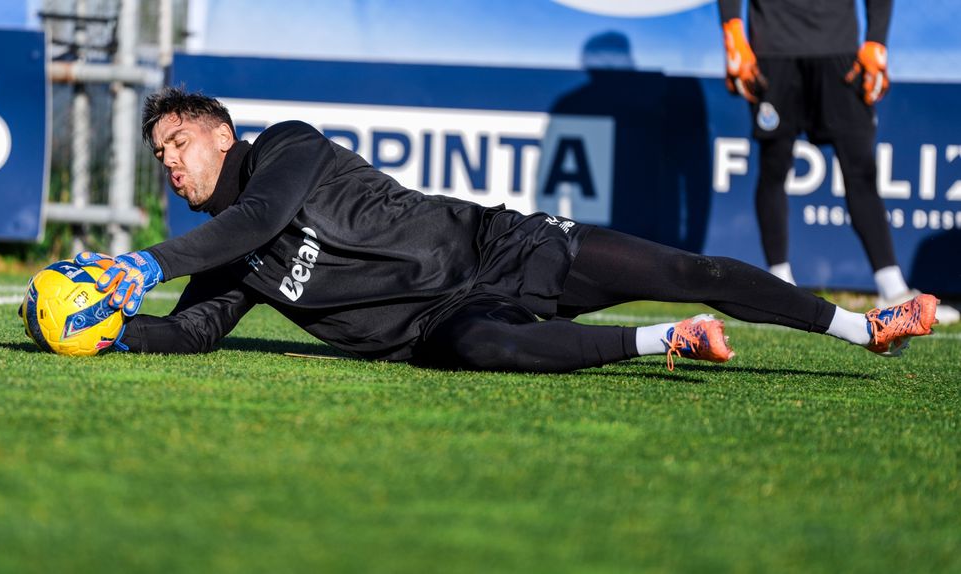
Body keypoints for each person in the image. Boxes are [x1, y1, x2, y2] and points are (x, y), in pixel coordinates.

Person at [75, 87, 938, 373]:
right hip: (438, 323)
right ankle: (665, 340)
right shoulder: (227, 254)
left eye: (178, 143)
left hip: (501, 246)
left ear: (223, 134)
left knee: (690, 267)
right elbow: (196, 329)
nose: (171, 163)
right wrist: (106, 328)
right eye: (160, 156)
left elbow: (260, 218)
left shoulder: (285, 147)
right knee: (487, 348)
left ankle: (863, 326)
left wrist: (141, 263)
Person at [718, 0, 959, 324]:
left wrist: (876, 41)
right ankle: (779, 287)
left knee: (860, 169)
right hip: (773, 49)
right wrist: (732, 31)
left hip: (839, 50)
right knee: (774, 166)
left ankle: (892, 288)